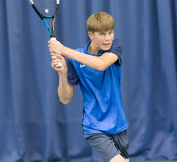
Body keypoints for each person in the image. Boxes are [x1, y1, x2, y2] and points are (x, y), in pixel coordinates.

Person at [48, 12, 129, 162]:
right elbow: (65, 98)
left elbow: (101, 64)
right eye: (102, 33)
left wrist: (63, 50)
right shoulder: (75, 59)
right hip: (95, 127)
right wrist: (63, 72)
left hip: (119, 124)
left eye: (110, 32)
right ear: (90, 35)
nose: (108, 38)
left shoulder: (115, 46)